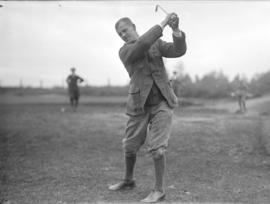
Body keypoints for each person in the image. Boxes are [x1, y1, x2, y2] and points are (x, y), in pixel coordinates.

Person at [109, 12, 187, 203]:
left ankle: (159, 190)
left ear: (133, 26)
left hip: (163, 102)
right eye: (120, 34)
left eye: (125, 30)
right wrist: (162, 24)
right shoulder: (125, 51)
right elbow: (142, 44)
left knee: (158, 149)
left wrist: (175, 30)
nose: (123, 35)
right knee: (129, 146)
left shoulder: (157, 43)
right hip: (139, 106)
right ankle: (128, 180)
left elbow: (178, 51)